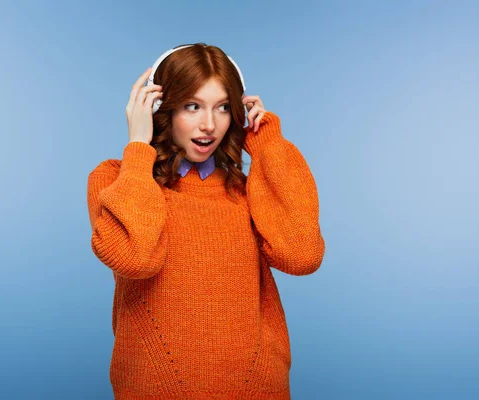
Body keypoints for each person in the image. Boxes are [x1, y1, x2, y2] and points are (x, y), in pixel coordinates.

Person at [86, 42, 326, 399]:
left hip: (257, 388)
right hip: (153, 388)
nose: (209, 125)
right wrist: (139, 145)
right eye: (192, 106)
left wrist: (267, 143)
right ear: (159, 108)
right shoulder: (116, 180)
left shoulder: (247, 191)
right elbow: (134, 257)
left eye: (223, 107)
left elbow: (302, 255)